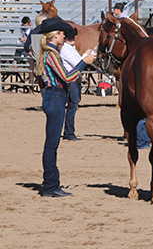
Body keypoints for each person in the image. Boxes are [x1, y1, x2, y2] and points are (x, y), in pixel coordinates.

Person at [33, 17, 96, 197]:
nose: (63, 36)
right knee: (52, 145)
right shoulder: (51, 54)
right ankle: (50, 185)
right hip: (56, 98)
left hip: (54, 97)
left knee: (52, 144)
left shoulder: (50, 53)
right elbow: (67, 77)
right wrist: (84, 62)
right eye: (61, 33)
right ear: (55, 36)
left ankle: (51, 184)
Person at [59, 32, 84, 141]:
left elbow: (80, 61)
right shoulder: (66, 50)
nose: (71, 39)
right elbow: (78, 63)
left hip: (75, 79)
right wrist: (87, 57)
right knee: (72, 106)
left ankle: (69, 132)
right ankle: (69, 133)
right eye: (69, 37)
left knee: (73, 106)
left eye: (73, 37)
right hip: (71, 80)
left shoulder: (71, 48)